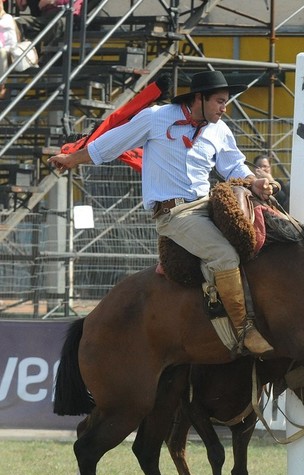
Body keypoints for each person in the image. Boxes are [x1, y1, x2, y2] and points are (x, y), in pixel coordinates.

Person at [47, 70, 273, 354]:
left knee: (260, 241)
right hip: (174, 214)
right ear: (199, 98)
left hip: (206, 205)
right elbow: (108, 145)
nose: (224, 108)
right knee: (224, 255)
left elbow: (234, 167)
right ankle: (244, 330)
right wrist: (71, 159)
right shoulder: (155, 117)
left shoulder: (220, 129)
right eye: (219, 101)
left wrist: (256, 181)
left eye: (226, 101)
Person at [15, 0, 83, 51]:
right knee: (18, 22)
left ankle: (37, 52)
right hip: (46, 16)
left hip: (66, 15)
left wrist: (54, 1)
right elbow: (38, 5)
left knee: (56, 24)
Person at [0, 1, 19, 99]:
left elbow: (12, 44)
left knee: (1, 53)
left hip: (7, 53)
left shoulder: (7, 19)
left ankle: (1, 86)